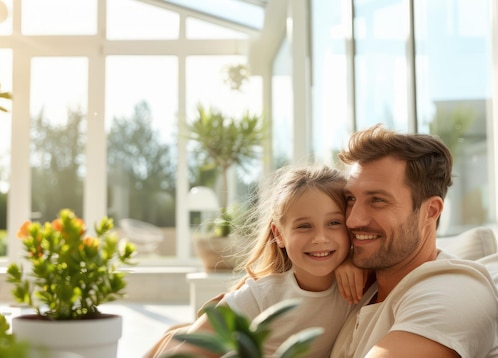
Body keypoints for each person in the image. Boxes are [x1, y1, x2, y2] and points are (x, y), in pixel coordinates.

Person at [148, 164, 366, 358]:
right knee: (172, 338)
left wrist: (355, 262)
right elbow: (183, 352)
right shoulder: (261, 294)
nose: (320, 238)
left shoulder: (363, 284)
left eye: (334, 222)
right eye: (304, 226)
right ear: (279, 234)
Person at [330, 124, 498, 357]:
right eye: (350, 198)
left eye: (377, 200)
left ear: (430, 211)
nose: (352, 220)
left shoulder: (454, 291)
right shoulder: (364, 287)